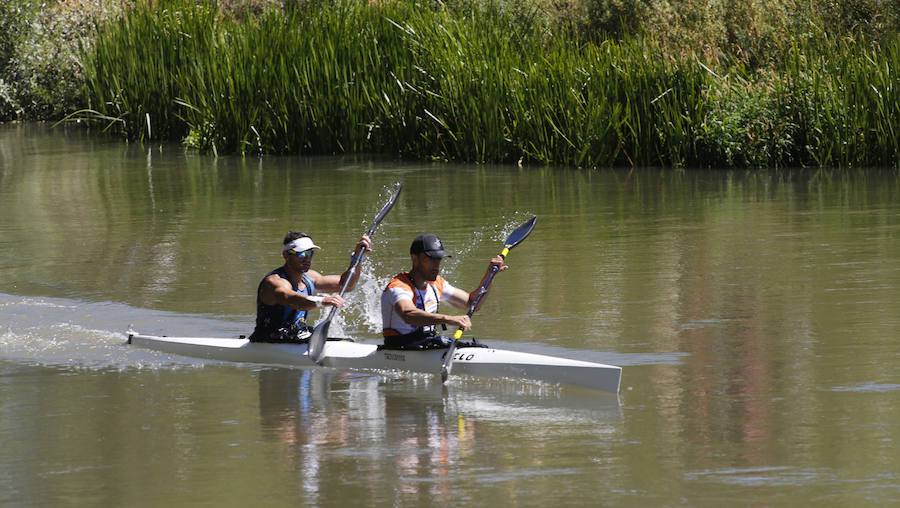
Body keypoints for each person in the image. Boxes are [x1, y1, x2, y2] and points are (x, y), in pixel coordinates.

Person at [380, 233, 506, 349]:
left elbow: (473, 303)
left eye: (439, 259)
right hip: (399, 349)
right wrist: (448, 319)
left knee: (477, 346)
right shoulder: (399, 286)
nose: (436, 265)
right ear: (415, 259)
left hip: (426, 345)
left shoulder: (437, 284)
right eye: (430, 259)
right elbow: (407, 314)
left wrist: (490, 276)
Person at [249, 231, 371, 343]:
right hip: (268, 340)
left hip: (296, 335)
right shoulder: (274, 282)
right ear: (286, 255)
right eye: (302, 253)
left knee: (345, 342)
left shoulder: (310, 278)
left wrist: (357, 257)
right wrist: (322, 301)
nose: (307, 258)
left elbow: (347, 284)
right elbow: (291, 298)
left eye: (310, 253)